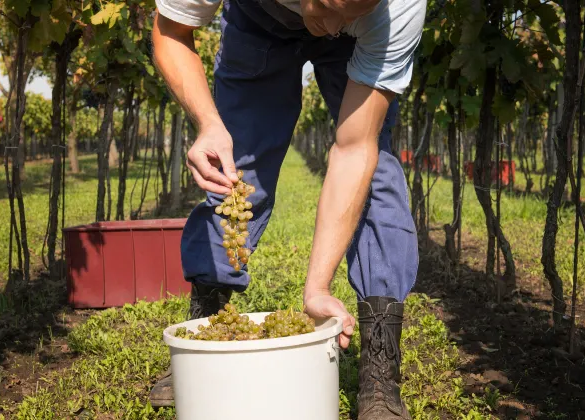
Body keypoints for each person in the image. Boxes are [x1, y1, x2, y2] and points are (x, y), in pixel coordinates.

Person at [150, 0, 425, 416]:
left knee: (377, 175)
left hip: (363, 39)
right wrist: (208, 123)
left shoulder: (402, 7)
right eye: (325, 7)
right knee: (237, 168)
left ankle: (380, 369)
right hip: (259, 20)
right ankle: (205, 326)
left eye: (348, 13)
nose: (331, 26)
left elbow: (354, 149)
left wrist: (317, 287)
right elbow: (171, 31)